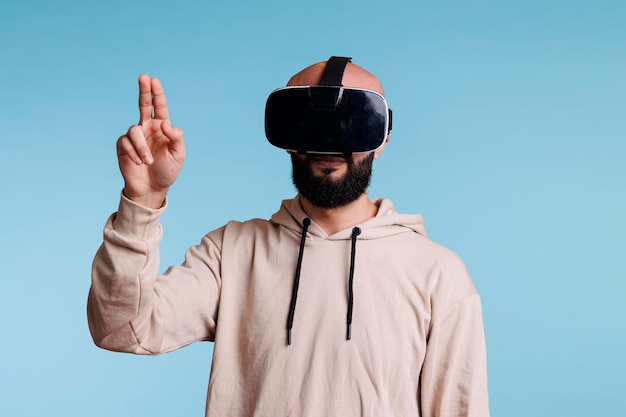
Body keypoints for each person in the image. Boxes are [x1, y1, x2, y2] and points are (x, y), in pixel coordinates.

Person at [88, 56, 490, 417]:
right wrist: (143, 199)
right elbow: (121, 329)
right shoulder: (233, 251)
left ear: (382, 139)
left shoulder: (438, 273)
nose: (329, 143)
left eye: (352, 122)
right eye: (311, 122)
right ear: (286, 134)